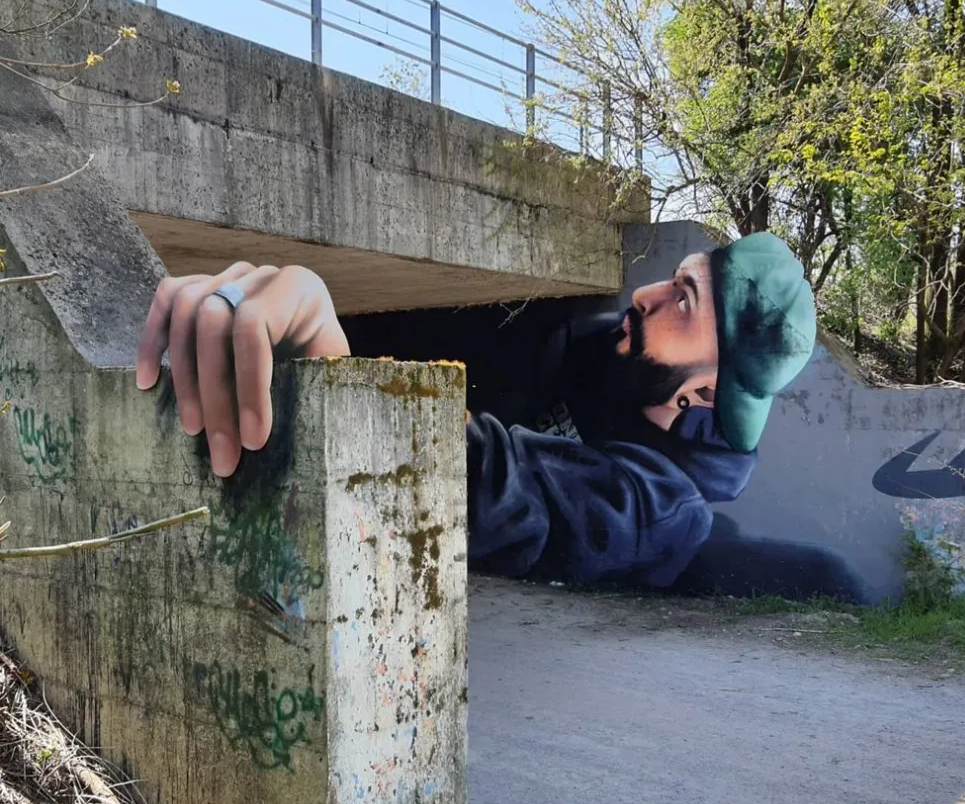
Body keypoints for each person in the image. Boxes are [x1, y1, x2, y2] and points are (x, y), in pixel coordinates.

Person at [137, 232, 859, 596]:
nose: (647, 296)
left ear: (701, 393)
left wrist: (338, 371)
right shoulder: (591, 351)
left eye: (683, 304)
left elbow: (511, 496)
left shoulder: (661, 507)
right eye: (675, 280)